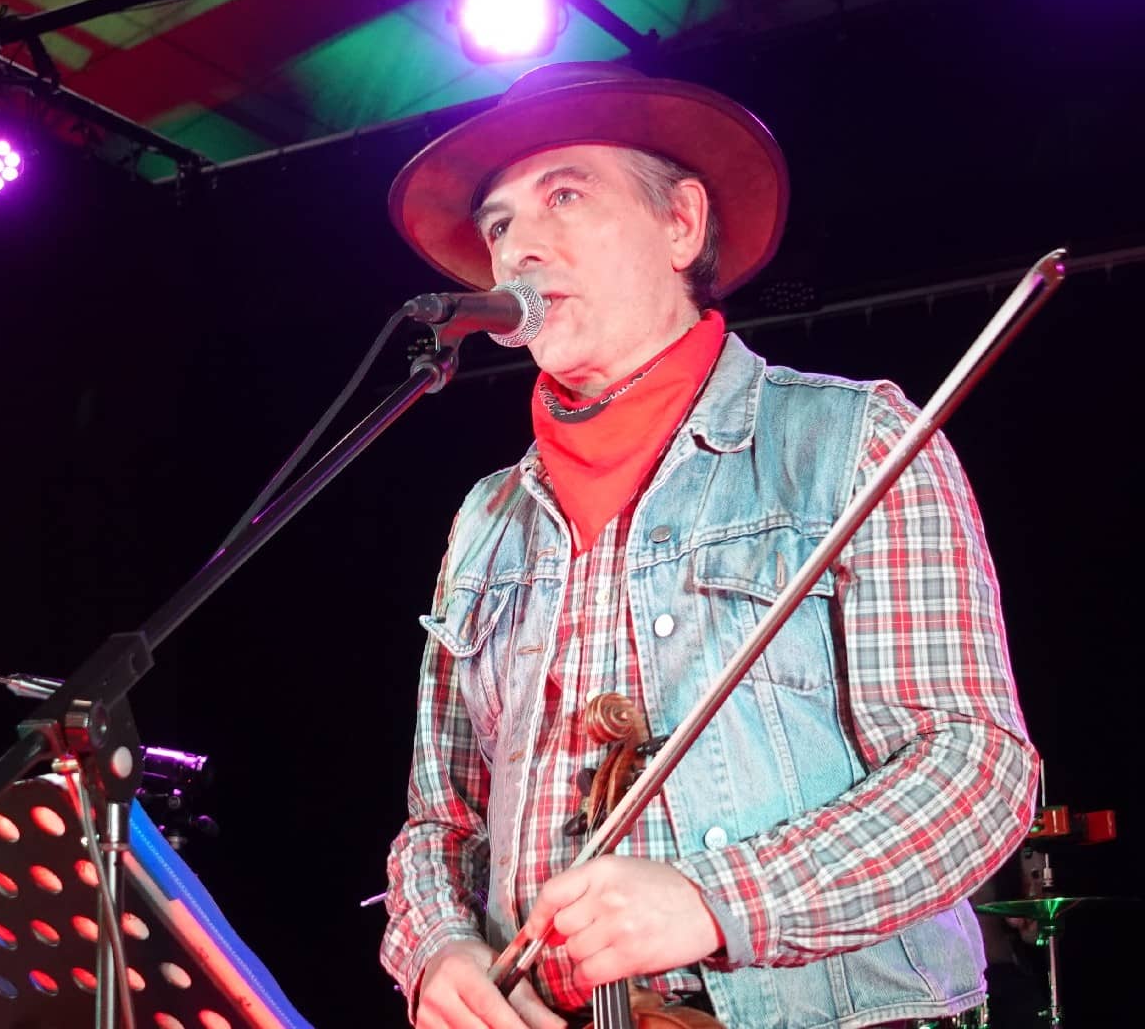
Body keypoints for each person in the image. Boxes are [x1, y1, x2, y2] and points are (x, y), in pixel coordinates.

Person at [378, 63, 1039, 1029]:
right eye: (499, 224)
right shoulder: (486, 518)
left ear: (681, 224)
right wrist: (437, 950)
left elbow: (975, 771)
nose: (518, 246)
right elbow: (443, 822)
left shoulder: (855, 441)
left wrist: (716, 899)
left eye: (565, 193)